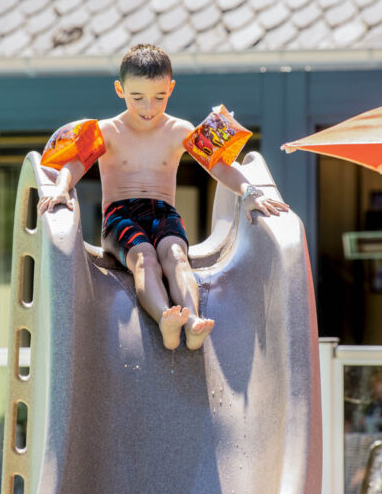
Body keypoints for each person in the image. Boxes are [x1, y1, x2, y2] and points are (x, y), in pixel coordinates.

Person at [38, 43, 289, 350]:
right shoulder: (106, 131)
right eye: (137, 97)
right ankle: (164, 318)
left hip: (163, 213)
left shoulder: (179, 130)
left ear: (171, 88)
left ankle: (193, 320)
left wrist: (250, 192)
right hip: (120, 217)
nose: (149, 107)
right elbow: (74, 164)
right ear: (120, 89)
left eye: (159, 97)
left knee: (176, 256)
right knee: (145, 260)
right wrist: (62, 189)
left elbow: (220, 167)